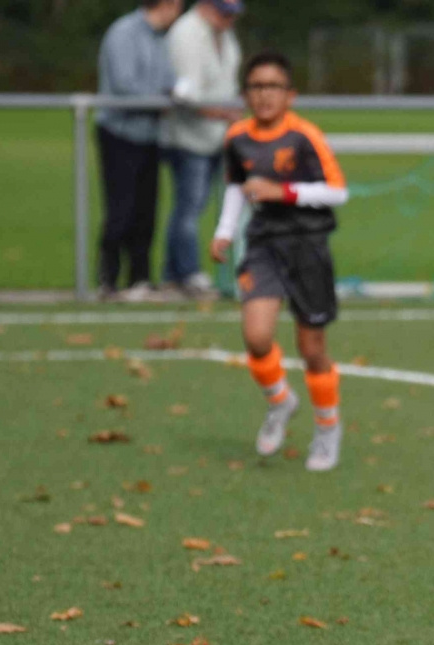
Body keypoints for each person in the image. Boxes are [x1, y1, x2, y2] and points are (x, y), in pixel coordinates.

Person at [209, 52, 349, 472]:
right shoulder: (237, 137)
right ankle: (280, 401)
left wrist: (283, 192)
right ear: (245, 94)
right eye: (256, 86)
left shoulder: (305, 137)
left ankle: (327, 427)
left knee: (311, 347)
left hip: (307, 245)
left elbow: (338, 191)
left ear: (290, 95)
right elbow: (237, 187)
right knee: (256, 336)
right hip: (263, 244)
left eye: (273, 86)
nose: (264, 95)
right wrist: (224, 231)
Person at [94, 0, 183, 302]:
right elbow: (124, 85)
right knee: (121, 209)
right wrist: (163, 99)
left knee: (147, 210)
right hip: (119, 134)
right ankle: (108, 280)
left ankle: (140, 279)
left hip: (150, 136)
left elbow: (169, 81)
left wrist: (175, 93)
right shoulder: (123, 32)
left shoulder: (162, 38)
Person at [160, 0, 244, 296]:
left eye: (233, 13)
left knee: (197, 205)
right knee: (189, 207)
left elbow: (227, 82)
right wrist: (222, 114)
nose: (230, 18)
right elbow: (186, 93)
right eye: (224, 12)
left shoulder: (225, 34)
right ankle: (187, 272)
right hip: (188, 138)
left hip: (217, 136)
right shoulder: (186, 33)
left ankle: (173, 275)